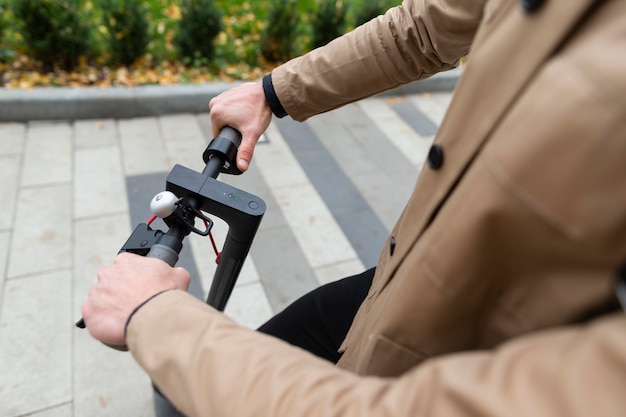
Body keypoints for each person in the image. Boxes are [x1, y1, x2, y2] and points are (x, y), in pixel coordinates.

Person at [82, 0, 626, 415]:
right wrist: (273, 92)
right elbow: (425, 27)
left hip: (481, 360)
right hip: (404, 276)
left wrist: (156, 319)